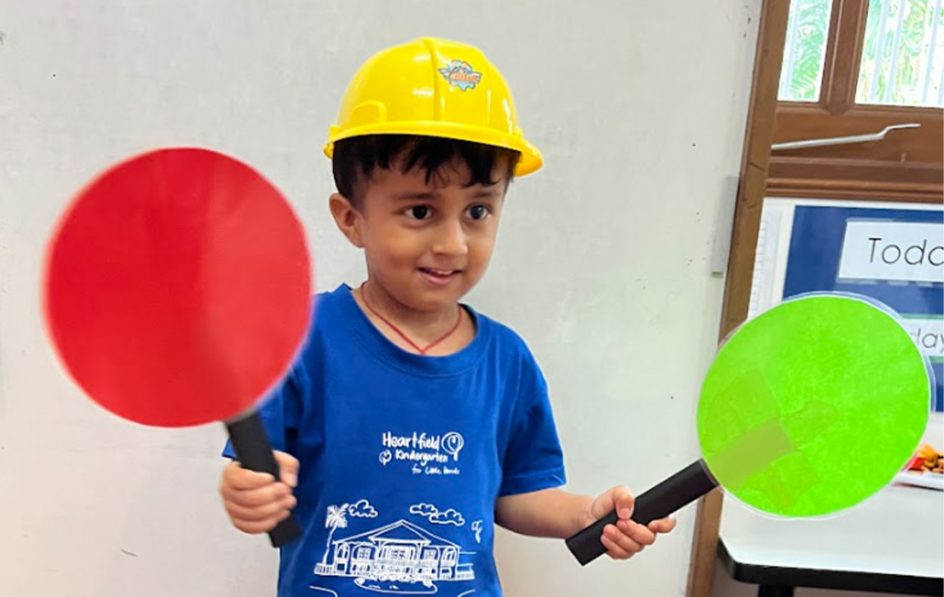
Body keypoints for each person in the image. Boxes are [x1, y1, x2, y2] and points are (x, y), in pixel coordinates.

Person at [220, 37, 675, 596]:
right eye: (420, 211)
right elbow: (257, 466)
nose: (453, 243)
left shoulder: (508, 361)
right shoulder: (300, 338)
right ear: (351, 218)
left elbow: (517, 493)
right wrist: (248, 489)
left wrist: (585, 515)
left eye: (478, 211)